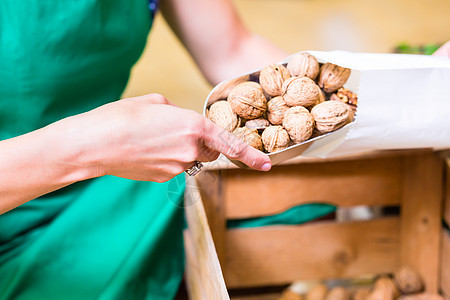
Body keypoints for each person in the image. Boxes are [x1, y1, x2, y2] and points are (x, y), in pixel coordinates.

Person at [0, 0, 287, 299]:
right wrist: (95, 144)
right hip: (15, 200)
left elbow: (232, 49)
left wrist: (317, 99)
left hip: (106, 183)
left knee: (298, 200)